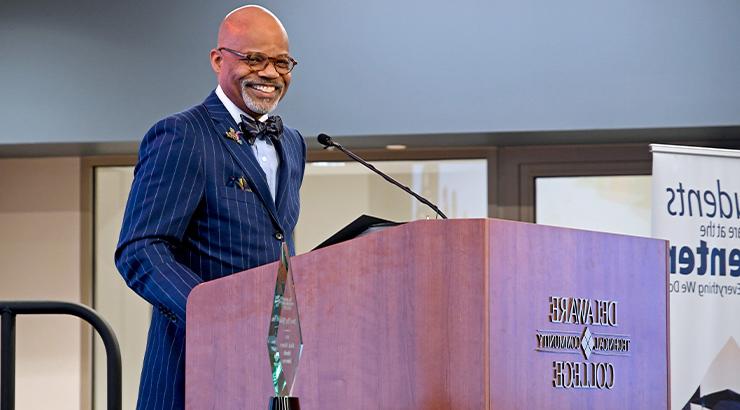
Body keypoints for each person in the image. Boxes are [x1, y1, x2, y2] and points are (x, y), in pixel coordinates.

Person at [115, 5, 306, 410]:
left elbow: (276, 243)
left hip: (275, 376)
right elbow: (140, 249)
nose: (270, 73)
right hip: (196, 368)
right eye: (254, 58)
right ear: (218, 59)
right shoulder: (182, 135)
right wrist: (214, 315)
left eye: (282, 62)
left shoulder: (293, 144)